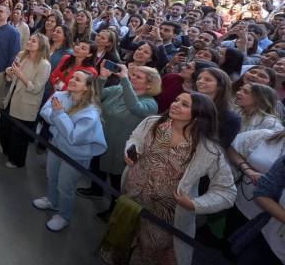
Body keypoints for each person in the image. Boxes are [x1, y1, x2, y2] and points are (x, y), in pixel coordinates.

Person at [120, 92, 236, 264]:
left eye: (184, 104)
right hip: (132, 197)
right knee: (124, 237)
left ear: (199, 114)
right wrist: (132, 149)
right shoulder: (152, 123)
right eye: (176, 100)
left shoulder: (208, 149)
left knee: (151, 253)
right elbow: (135, 138)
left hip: (166, 216)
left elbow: (226, 192)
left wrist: (195, 204)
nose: (175, 104)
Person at [78, 63, 160, 219]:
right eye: (132, 74)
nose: (132, 77)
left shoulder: (151, 104)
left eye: (138, 76)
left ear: (149, 85)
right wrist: (102, 78)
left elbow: (135, 107)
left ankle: (114, 210)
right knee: (97, 166)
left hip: (121, 149)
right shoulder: (118, 90)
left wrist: (124, 80)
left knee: (117, 182)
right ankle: (96, 190)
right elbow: (95, 96)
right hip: (102, 138)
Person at [32, 70, 107, 232]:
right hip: (56, 146)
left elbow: (73, 137)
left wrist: (59, 115)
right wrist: (59, 119)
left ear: (87, 87)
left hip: (75, 156)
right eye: (72, 77)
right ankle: (52, 201)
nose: (72, 80)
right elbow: (45, 112)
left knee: (65, 186)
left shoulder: (90, 112)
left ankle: (64, 216)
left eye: (78, 79)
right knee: (51, 175)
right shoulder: (61, 95)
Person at [225, 129, 285, 261]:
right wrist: (248, 170)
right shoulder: (267, 135)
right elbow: (229, 147)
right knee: (227, 252)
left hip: (261, 221)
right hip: (241, 207)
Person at [0, 33, 51, 168]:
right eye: (29, 39)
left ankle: (16, 160)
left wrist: (19, 75)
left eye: (33, 41)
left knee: (18, 136)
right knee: (4, 128)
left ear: (41, 46)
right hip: (11, 98)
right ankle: (5, 150)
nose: (29, 42)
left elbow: (36, 89)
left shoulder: (44, 64)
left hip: (26, 103)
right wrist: (10, 73)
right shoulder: (22, 55)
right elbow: (11, 78)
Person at [0, 5, 21, 131]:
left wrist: (8, 72)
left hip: (0, 70)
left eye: (2, 11)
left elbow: (14, 54)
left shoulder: (13, 32)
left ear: (8, 14)